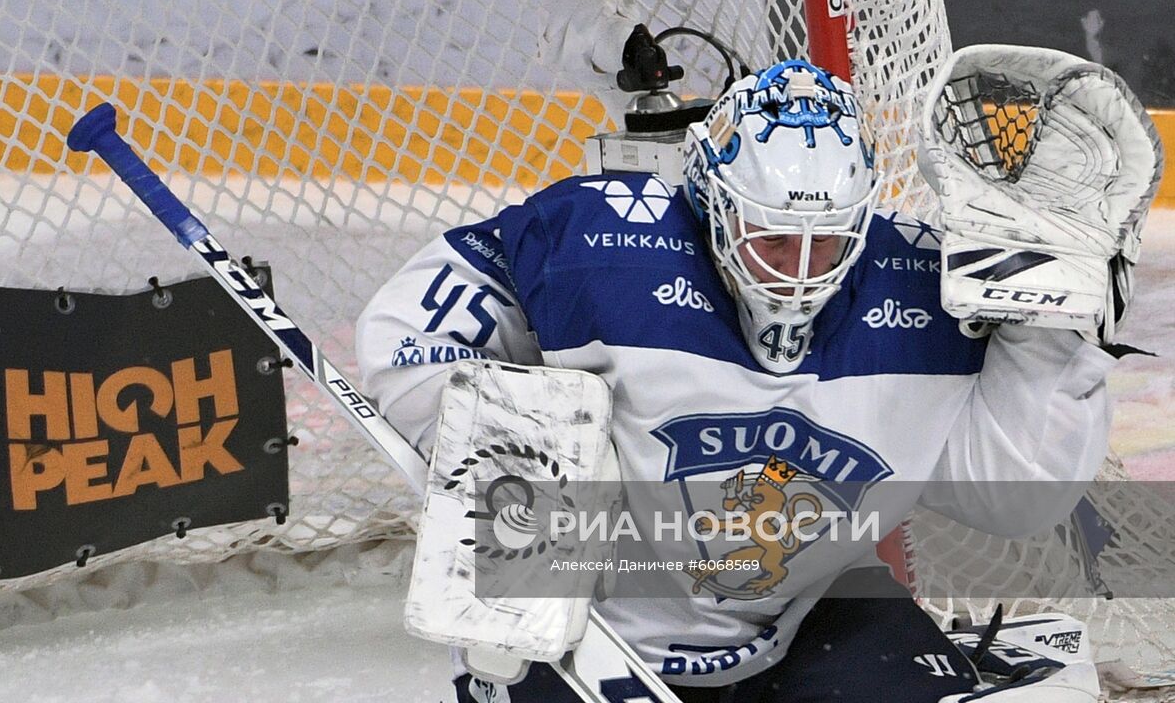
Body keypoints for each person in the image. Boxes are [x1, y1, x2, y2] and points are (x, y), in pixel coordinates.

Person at [355, 58, 1129, 702]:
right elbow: (408, 336)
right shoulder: (598, 244)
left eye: (824, 245)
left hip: (808, 612)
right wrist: (511, 462)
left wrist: (1047, 332)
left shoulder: (920, 288)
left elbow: (1011, 494)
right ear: (712, 205)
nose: (796, 272)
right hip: (586, 615)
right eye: (769, 237)